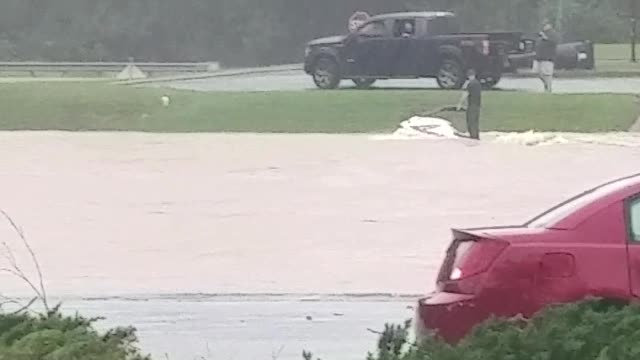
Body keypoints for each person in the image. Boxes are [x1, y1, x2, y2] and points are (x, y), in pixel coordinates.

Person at [457, 69, 482, 140]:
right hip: (477, 105)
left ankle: (472, 136)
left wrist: (459, 104)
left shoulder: (470, 84)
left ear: (469, 76)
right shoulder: (478, 83)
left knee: (470, 121)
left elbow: (465, 94)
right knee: (475, 122)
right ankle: (476, 135)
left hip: (471, 106)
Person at [534, 22, 559, 93]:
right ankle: (546, 85)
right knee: (538, 73)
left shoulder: (553, 34)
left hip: (548, 58)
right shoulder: (540, 34)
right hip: (539, 57)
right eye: (543, 25)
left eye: (546, 25)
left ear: (550, 25)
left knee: (547, 74)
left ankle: (548, 89)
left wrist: (546, 37)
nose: (544, 26)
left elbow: (555, 42)